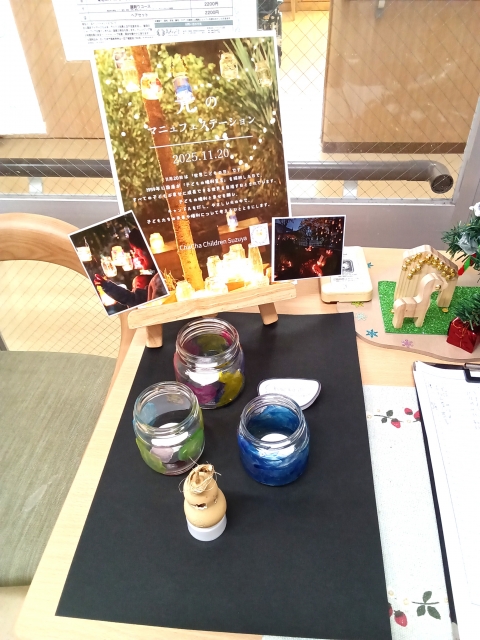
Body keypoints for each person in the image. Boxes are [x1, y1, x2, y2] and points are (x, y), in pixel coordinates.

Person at [94, 228, 168, 308]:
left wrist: (107, 286)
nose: (135, 255)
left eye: (136, 249)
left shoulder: (158, 280)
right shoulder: (154, 276)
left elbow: (131, 299)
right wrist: (106, 286)